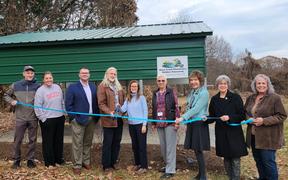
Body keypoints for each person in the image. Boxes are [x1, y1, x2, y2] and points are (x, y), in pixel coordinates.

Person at [244, 74, 287, 180]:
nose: (261, 85)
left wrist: (264, 121)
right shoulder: (251, 98)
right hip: (254, 137)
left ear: (268, 85)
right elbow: (245, 112)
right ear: (255, 85)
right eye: (259, 83)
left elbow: (282, 115)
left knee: (268, 163)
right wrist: (249, 119)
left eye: (263, 83)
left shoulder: (274, 98)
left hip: (269, 138)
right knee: (258, 161)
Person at [208, 75, 248, 180]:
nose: (222, 85)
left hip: (234, 132)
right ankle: (230, 177)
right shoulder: (214, 99)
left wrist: (229, 117)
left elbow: (242, 115)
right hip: (221, 132)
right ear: (217, 85)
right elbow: (212, 116)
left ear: (228, 85)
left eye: (225, 83)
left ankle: (236, 178)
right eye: (220, 83)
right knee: (225, 157)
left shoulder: (235, 97)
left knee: (235, 158)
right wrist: (205, 119)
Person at [4, 65, 40, 169]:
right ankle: (16, 160)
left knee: (32, 139)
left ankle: (30, 160)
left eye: (32, 73)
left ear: (34, 74)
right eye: (28, 73)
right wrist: (12, 101)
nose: (30, 74)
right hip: (20, 118)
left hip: (33, 117)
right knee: (18, 139)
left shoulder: (37, 86)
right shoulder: (16, 85)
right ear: (23, 74)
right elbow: (6, 95)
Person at [176, 70, 210, 180]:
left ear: (200, 80)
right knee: (196, 149)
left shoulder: (204, 93)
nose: (193, 82)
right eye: (191, 80)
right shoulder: (192, 92)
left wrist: (183, 118)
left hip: (199, 124)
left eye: (195, 80)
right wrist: (184, 116)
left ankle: (203, 176)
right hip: (192, 123)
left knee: (199, 150)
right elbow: (189, 106)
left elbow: (196, 109)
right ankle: (200, 174)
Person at [65, 67, 99, 175]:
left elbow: (96, 102)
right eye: (82, 73)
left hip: (91, 119)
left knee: (88, 142)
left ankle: (86, 161)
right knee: (77, 143)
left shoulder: (93, 87)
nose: (85, 74)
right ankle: (77, 165)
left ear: (89, 75)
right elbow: (68, 104)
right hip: (78, 120)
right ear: (79, 75)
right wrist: (73, 118)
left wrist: (96, 117)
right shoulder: (73, 87)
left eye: (87, 73)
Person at [34, 71, 65, 168]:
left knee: (58, 140)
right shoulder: (40, 90)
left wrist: (64, 112)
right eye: (46, 78)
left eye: (50, 78)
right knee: (48, 141)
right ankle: (49, 162)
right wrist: (43, 119)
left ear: (53, 78)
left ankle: (58, 160)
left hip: (59, 117)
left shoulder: (57, 87)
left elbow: (62, 101)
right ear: (43, 80)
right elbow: (37, 106)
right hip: (47, 119)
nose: (49, 80)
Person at [152, 74, 180, 179]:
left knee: (170, 148)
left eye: (163, 80)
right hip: (159, 123)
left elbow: (176, 106)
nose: (161, 82)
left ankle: (170, 170)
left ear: (166, 82)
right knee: (163, 147)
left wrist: (177, 121)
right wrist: (154, 123)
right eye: (159, 81)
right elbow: (154, 108)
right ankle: (168, 165)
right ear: (157, 82)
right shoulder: (155, 93)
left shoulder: (171, 92)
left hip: (170, 122)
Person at [97, 67, 125, 172]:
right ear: (106, 74)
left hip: (119, 119)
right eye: (111, 73)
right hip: (109, 120)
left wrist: (123, 111)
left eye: (114, 74)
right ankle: (106, 165)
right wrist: (109, 112)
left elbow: (123, 101)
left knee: (117, 142)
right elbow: (101, 103)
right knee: (108, 143)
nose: (113, 75)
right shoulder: (102, 86)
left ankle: (113, 162)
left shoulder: (119, 86)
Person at [120, 80, 148, 174]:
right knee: (135, 146)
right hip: (131, 125)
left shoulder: (141, 98)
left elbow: (145, 112)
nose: (134, 88)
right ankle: (138, 164)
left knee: (141, 146)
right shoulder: (128, 98)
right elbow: (123, 109)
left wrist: (144, 124)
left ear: (138, 88)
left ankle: (144, 166)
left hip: (140, 125)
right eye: (132, 86)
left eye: (135, 86)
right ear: (130, 88)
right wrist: (117, 105)